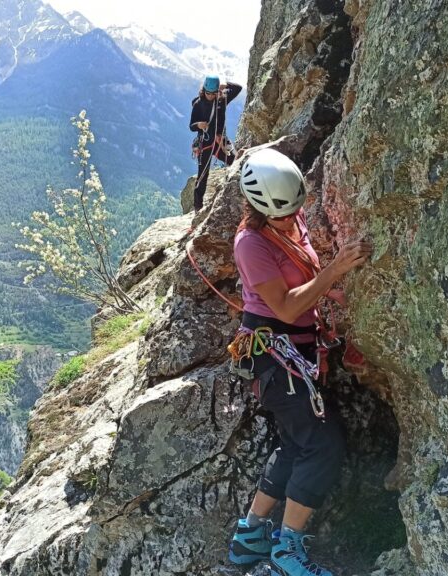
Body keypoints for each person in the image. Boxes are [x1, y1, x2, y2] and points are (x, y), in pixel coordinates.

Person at [227, 149, 372, 576]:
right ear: (257, 208)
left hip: (296, 355)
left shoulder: (289, 217)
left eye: (294, 213)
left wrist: (328, 292)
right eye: (281, 217)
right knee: (322, 446)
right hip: (276, 357)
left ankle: (250, 535)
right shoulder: (250, 242)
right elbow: (286, 308)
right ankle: (287, 550)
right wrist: (337, 269)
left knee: (295, 443)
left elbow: (300, 273)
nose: (291, 221)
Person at [189, 75, 242, 211]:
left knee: (236, 162)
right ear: (204, 90)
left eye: (213, 93)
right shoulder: (198, 104)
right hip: (205, 143)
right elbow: (191, 126)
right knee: (202, 175)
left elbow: (238, 88)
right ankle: (197, 207)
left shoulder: (222, 99)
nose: (211, 96)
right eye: (208, 93)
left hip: (219, 142)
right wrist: (199, 125)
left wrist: (226, 85)